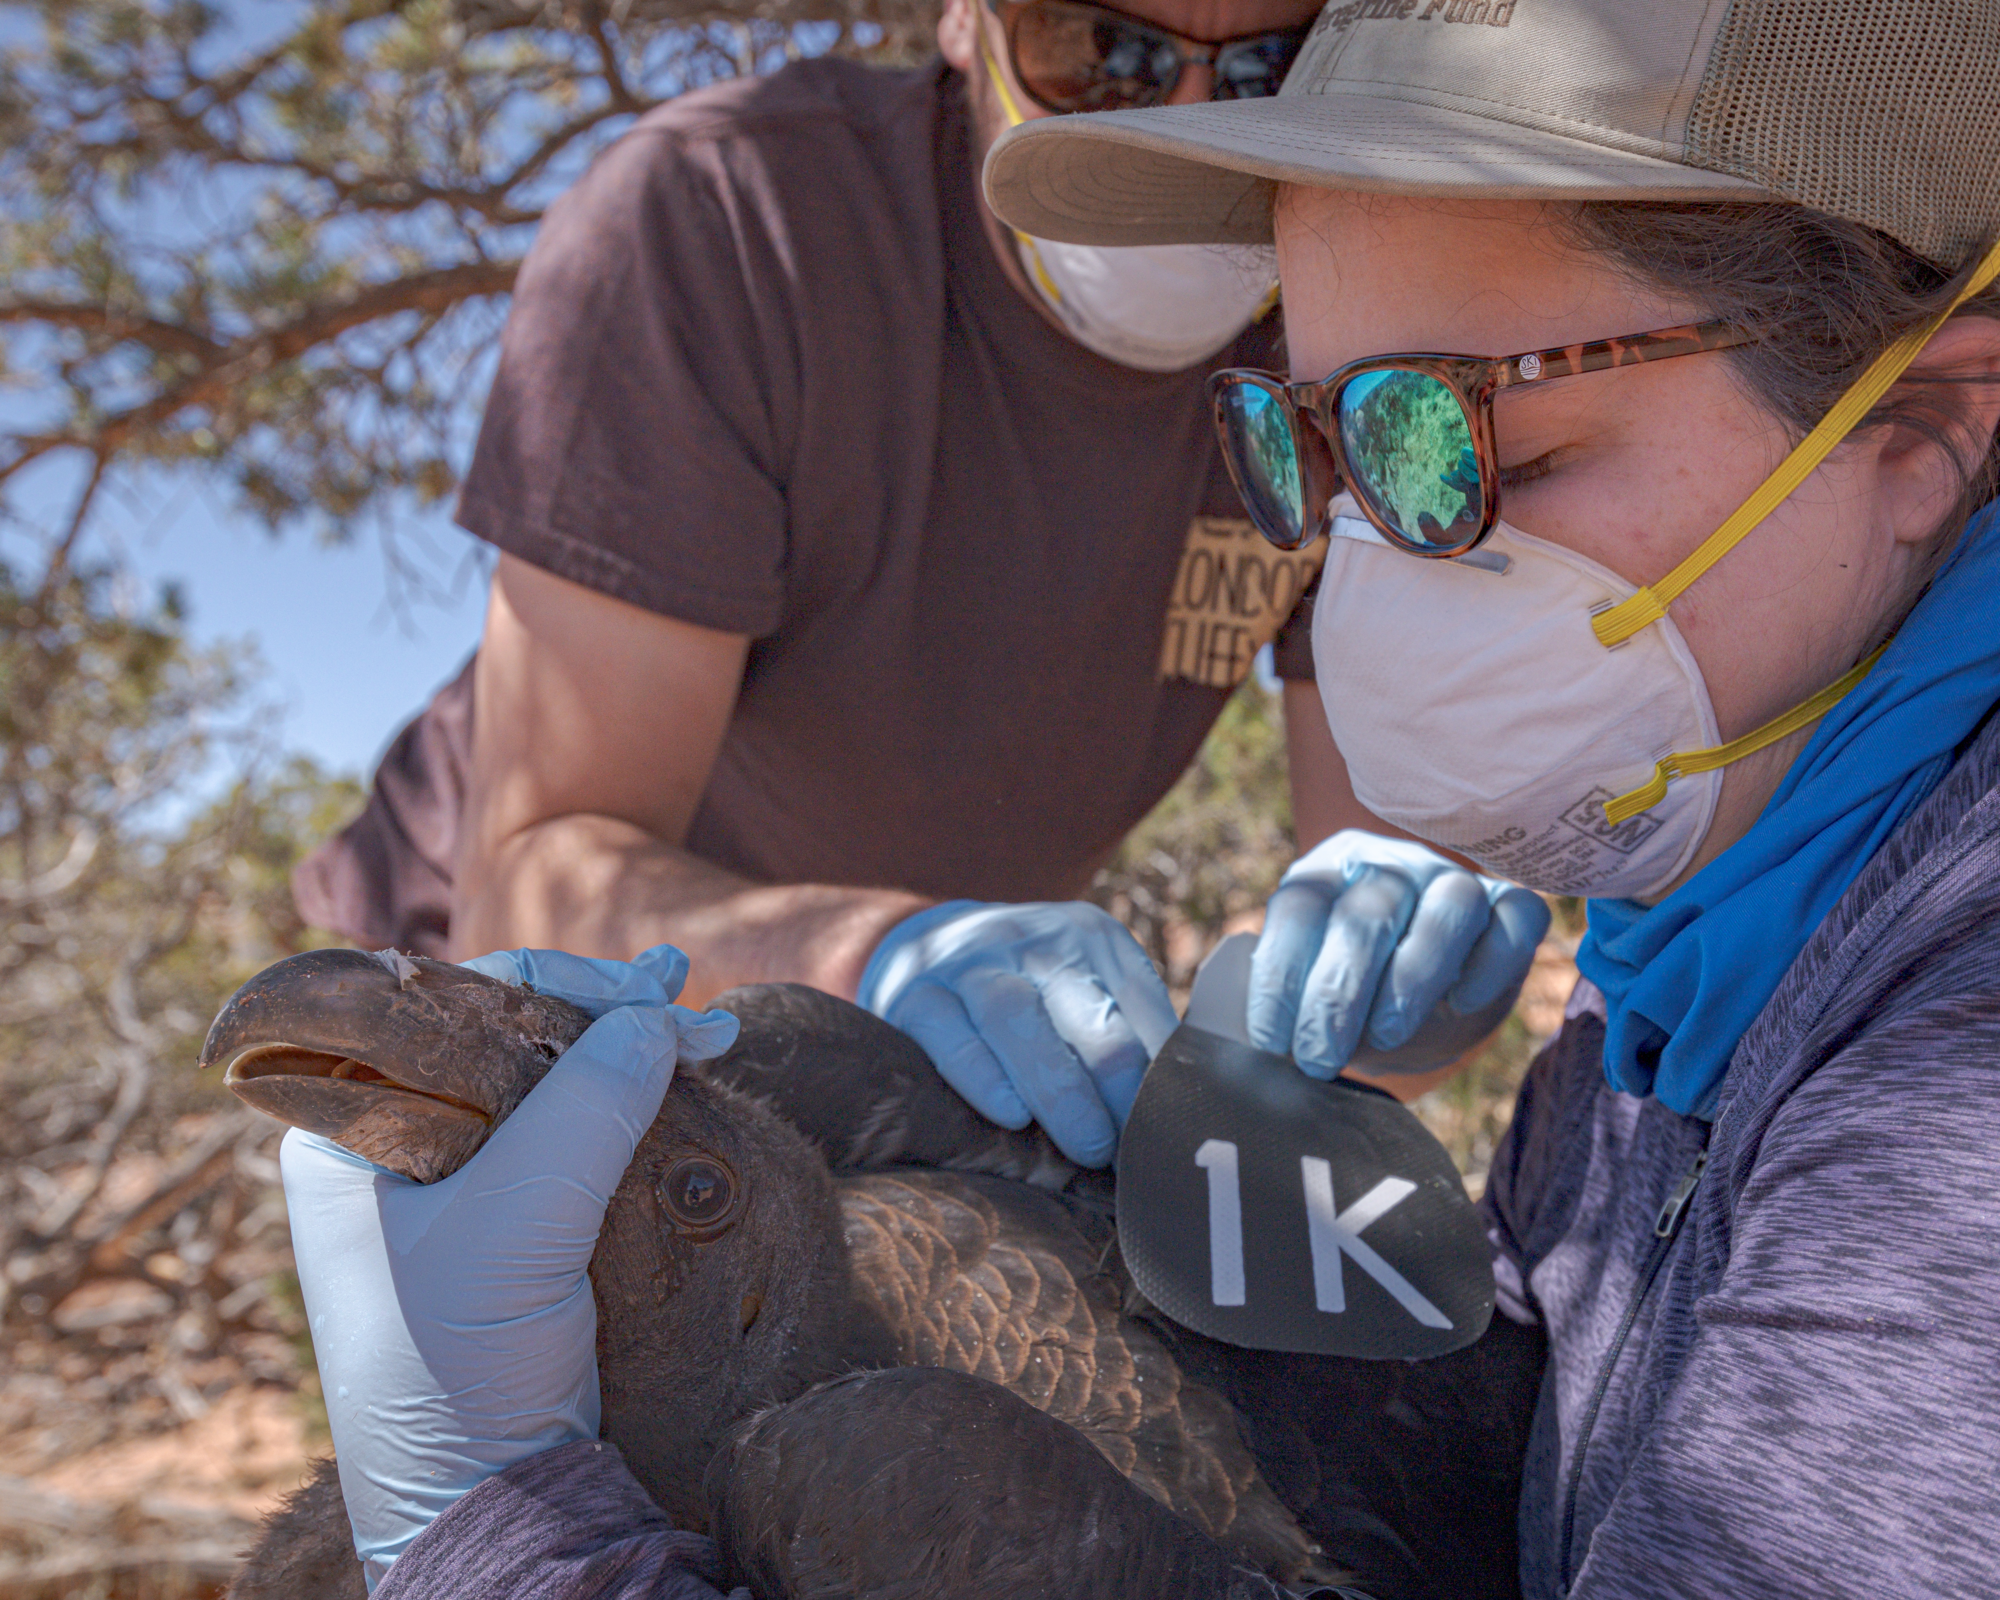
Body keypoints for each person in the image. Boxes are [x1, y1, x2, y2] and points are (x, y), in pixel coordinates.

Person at [274, 0, 2000, 1595]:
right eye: (1303, 456)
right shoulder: (745, 222)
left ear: (1923, 423)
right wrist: (895, 958)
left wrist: (487, 1533)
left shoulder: (1940, 1080)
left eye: (1474, 451)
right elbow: (538, 857)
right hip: (647, 1013)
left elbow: (1382, 985)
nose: (1371, 564)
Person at [294, 0, 1548, 1169]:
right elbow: (533, 883)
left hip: (924, 1065)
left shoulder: (1337, 331)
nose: (1181, 129)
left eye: (1273, 69)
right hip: (499, 1014)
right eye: (1095, 54)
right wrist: (871, 957)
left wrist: (1390, 994)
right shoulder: (733, 217)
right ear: (964, 20)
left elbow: (1368, 882)